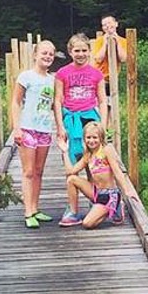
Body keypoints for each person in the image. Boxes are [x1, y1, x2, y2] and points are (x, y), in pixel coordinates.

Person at [54, 33, 107, 226]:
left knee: (94, 164)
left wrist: (103, 125)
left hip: (90, 119)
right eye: (77, 50)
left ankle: (99, 203)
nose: (81, 54)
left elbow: (102, 100)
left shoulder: (96, 73)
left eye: (84, 50)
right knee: (74, 163)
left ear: (89, 51)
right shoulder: (62, 73)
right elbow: (58, 100)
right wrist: (60, 126)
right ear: (70, 52)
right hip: (71, 120)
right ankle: (73, 209)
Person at [10, 40, 61, 229]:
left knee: (39, 171)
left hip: (45, 129)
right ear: (35, 54)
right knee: (28, 171)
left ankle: (36, 208)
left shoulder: (51, 79)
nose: (47, 57)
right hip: (27, 128)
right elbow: (15, 102)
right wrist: (17, 128)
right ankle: (28, 211)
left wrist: (60, 127)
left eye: (51, 54)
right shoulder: (26, 76)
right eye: (44, 53)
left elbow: (55, 105)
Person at [56, 122, 137, 229]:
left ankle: (114, 206)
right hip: (96, 192)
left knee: (87, 224)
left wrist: (127, 190)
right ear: (84, 139)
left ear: (101, 138)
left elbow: (117, 172)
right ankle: (74, 213)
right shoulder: (88, 155)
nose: (91, 141)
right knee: (71, 179)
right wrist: (65, 152)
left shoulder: (106, 150)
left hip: (109, 195)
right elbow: (70, 171)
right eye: (88, 138)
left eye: (95, 137)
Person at [91, 15, 127, 89]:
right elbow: (98, 59)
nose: (107, 26)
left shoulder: (123, 41)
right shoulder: (99, 41)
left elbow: (123, 59)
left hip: (113, 78)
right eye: (104, 25)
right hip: (99, 78)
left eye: (109, 23)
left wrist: (117, 42)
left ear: (116, 24)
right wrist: (105, 43)